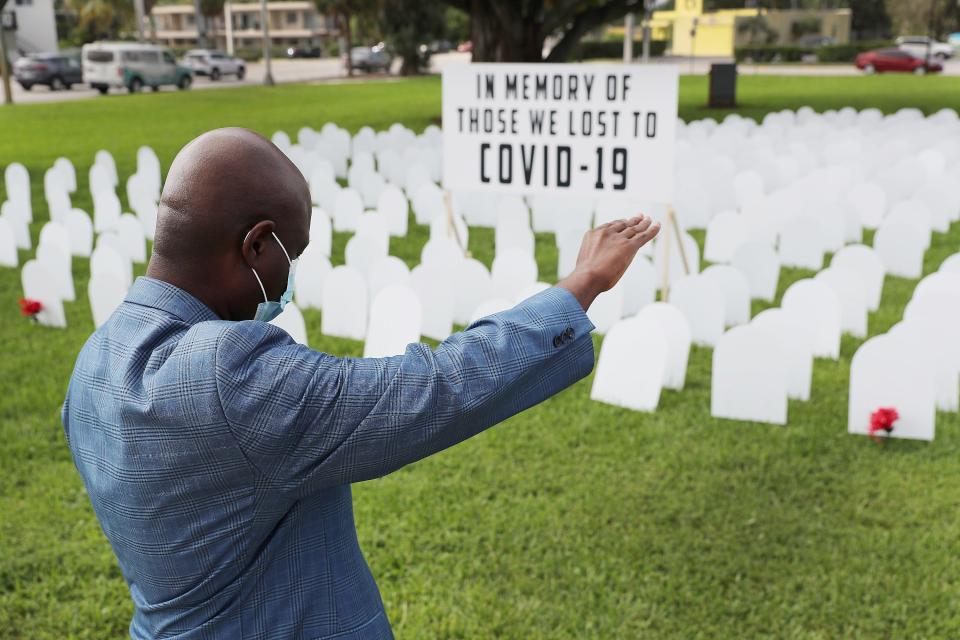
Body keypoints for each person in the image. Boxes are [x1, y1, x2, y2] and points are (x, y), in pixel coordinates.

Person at [63, 127, 660, 639]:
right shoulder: (227, 375)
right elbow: (428, 390)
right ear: (256, 245)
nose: (289, 279)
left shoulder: (97, 358)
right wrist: (578, 288)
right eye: (289, 258)